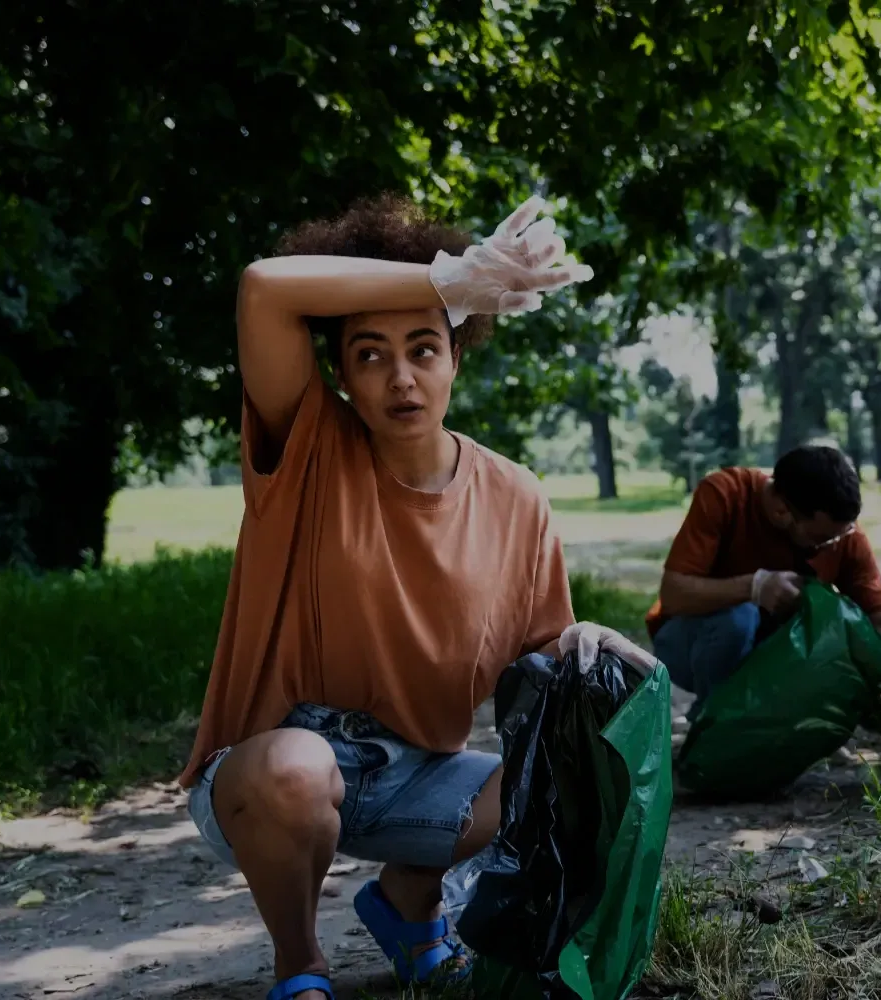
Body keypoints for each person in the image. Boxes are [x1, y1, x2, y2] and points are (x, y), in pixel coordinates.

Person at [178, 194, 653, 1000]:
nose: (401, 378)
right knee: (296, 771)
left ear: (455, 358)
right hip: (271, 775)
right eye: (370, 355)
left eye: (424, 348)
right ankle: (300, 966)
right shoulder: (309, 448)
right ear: (340, 375)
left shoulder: (516, 495)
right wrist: (447, 280)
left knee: (580, 777)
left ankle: (409, 904)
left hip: (420, 778)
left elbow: (543, 655)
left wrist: (582, 642)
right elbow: (264, 287)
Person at [646, 445, 881, 715]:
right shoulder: (725, 494)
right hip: (688, 646)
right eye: (821, 539)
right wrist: (754, 587)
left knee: (833, 625)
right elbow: (673, 595)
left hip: (767, 658)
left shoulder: (841, 535)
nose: (831, 545)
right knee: (739, 618)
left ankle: (783, 721)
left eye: (840, 536)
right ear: (781, 511)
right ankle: (715, 721)